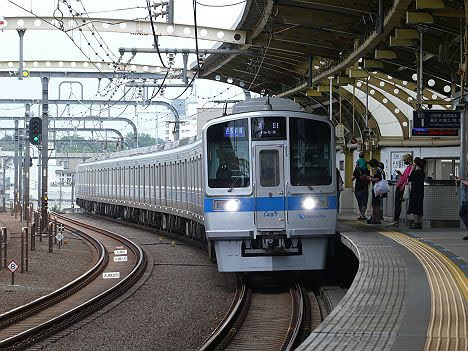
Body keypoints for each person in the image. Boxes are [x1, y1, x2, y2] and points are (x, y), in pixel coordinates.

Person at [388, 154, 413, 227]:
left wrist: (403, 185)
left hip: (401, 187)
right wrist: (400, 174)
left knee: (398, 204)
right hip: (399, 186)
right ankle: (396, 220)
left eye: (405, 160)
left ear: (408, 159)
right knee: (397, 204)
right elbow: (404, 177)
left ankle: (396, 221)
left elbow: (408, 179)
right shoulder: (408, 167)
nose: (404, 162)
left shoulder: (411, 167)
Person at [407, 157, 426, 229]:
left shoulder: (415, 172)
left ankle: (416, 222)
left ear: (415, 163)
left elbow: (410, 178)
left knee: (414, 206)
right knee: (420, 206)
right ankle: (420, 223)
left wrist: (412, 169)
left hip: (415, 191)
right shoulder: (422, 172)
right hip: (421, 191)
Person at [366, 159, 383, 224]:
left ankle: (376, 219)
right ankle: (375, 218)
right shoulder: (377, 170)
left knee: (376, 205)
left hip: (376, 190)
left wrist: (370, 178)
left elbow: (378, 179)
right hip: (376, 189)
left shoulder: (377, 170)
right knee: (375, 205)